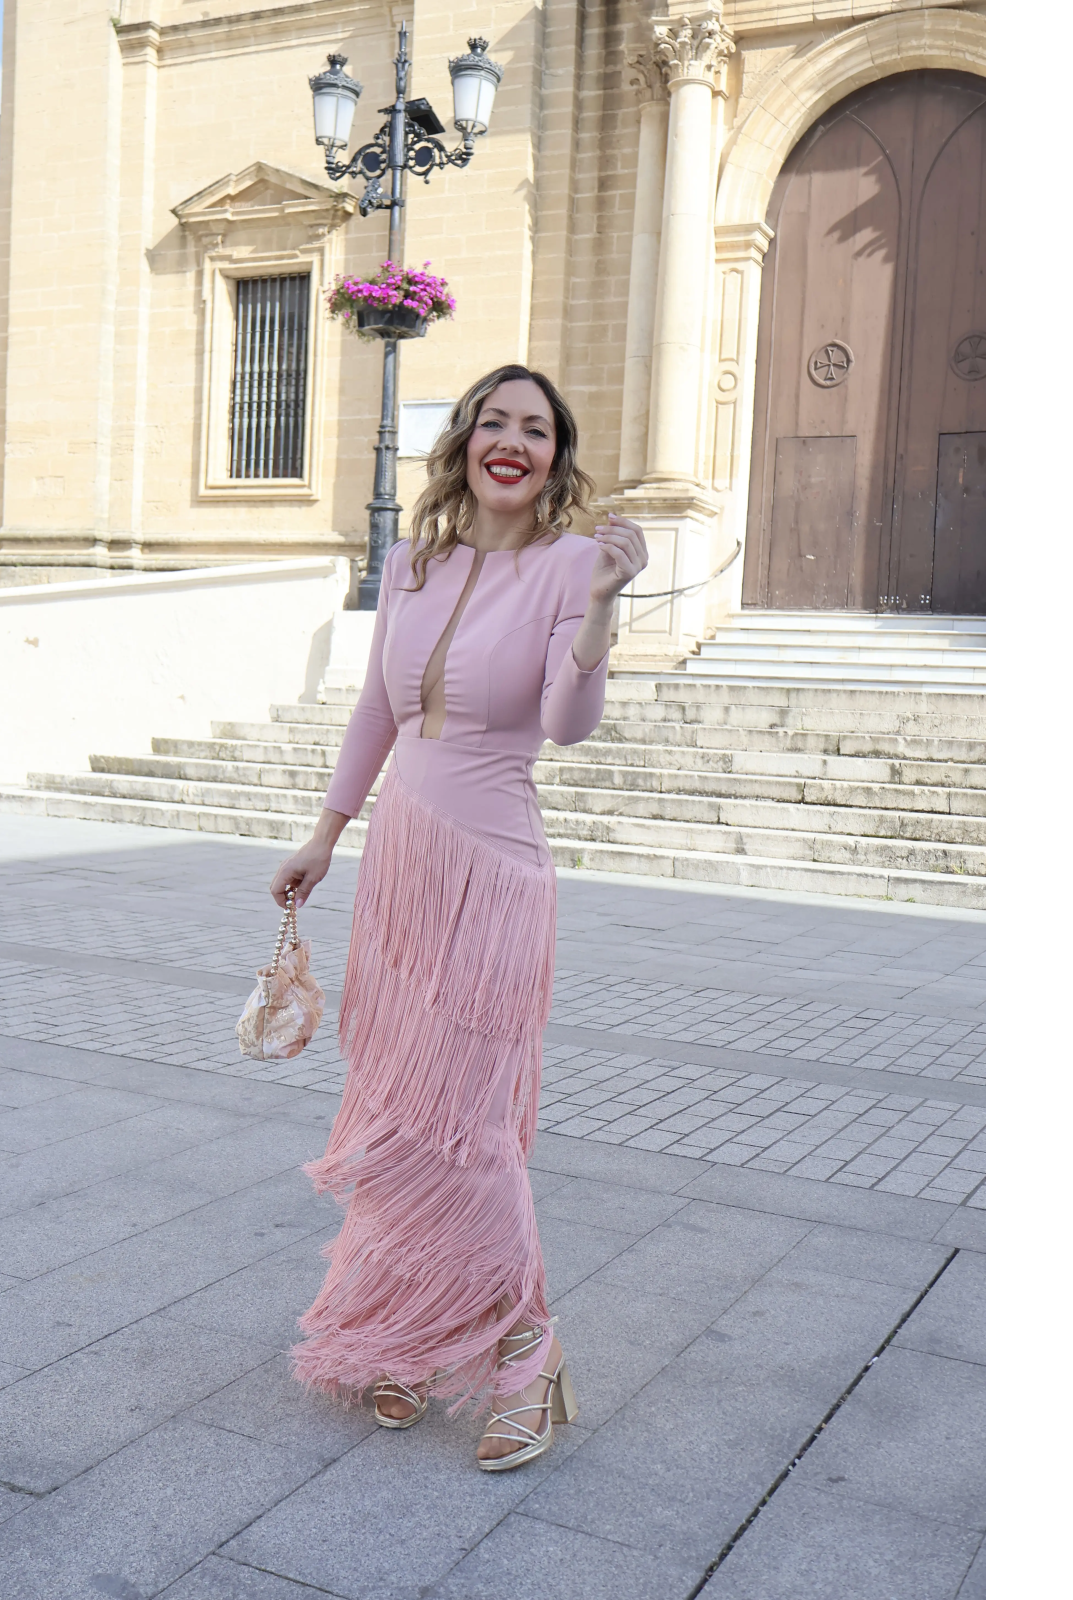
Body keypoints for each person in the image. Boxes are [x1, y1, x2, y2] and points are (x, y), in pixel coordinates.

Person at [269, 363, 647, 1470]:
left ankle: (528, 1351)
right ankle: (410, 1325)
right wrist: (325, 834)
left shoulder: (575, 563)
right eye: (496, 421)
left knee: (469, 1128)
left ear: (555, 456)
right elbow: (379, 711)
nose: (513, 442)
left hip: (494, 872)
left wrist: (604, 609)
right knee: (393, 1112)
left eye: (536, 429)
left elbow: (567, 722)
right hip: (400, 865)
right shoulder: (414, 562)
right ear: (468, 441)